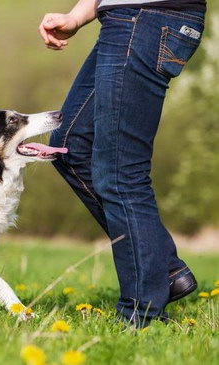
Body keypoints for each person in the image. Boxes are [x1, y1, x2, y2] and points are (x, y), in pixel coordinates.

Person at [40, 0, 206, 327]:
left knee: (120, 173)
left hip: (150, 17)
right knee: (68, 147)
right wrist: (76, 16)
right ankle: (165, 270)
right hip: (124, 19)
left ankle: (139, 314)